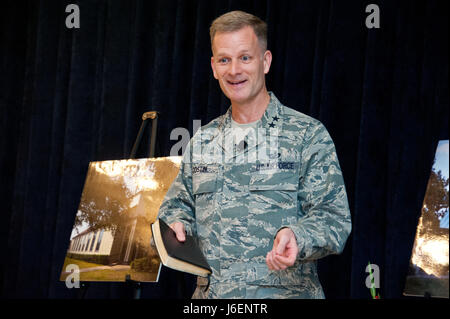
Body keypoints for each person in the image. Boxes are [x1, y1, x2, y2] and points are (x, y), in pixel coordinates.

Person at [157, 10, 351, 299]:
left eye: (245, 57)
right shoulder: (202, 141)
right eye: (224, 59)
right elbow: (176, 207)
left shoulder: (307, 135)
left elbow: (334, 219)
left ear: (266, 61)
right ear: (213, 67)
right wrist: (176, 225)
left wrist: (297, 237)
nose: (234, 70)